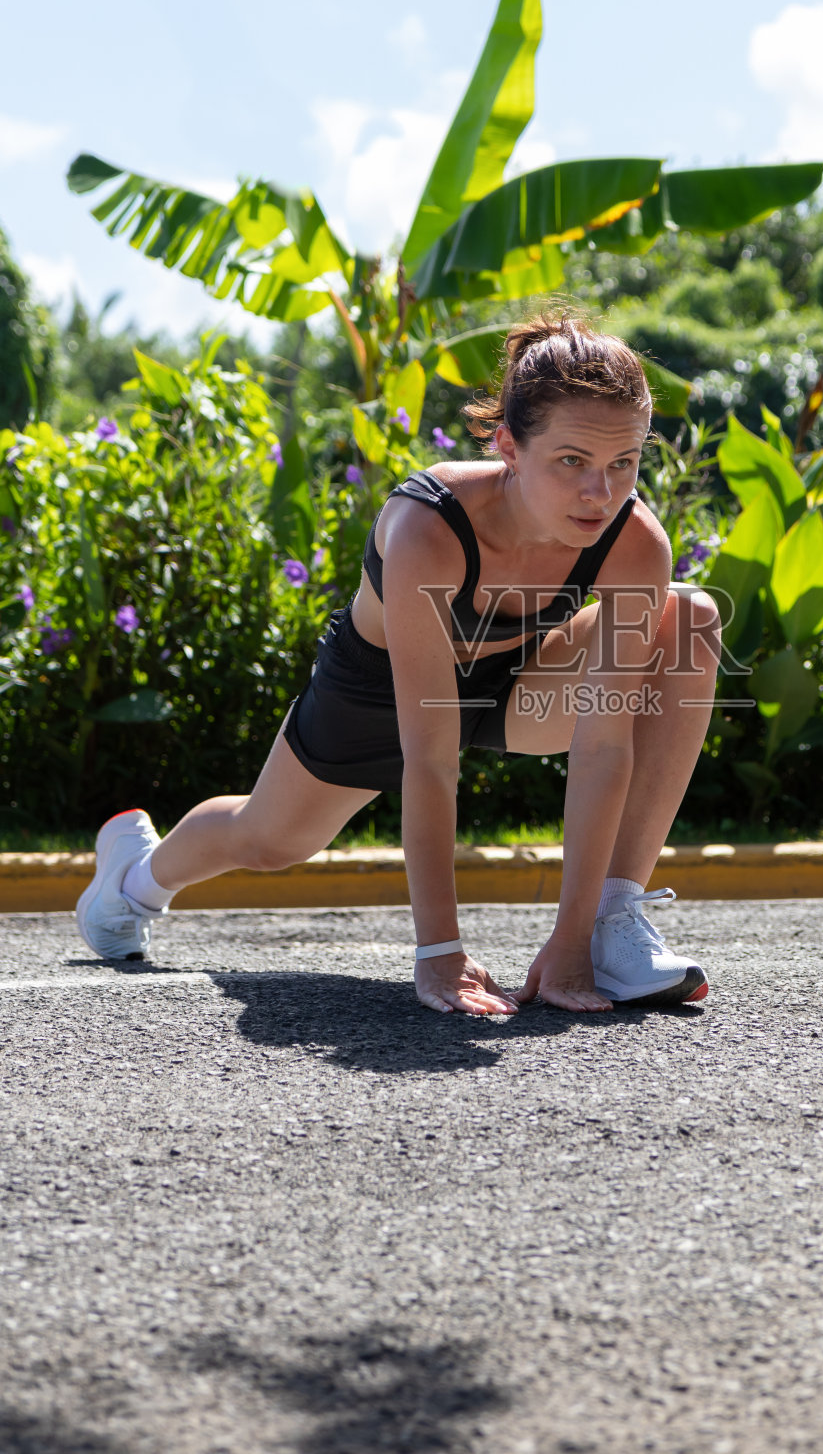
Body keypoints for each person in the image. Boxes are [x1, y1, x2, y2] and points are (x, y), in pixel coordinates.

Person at [76, 315, 722, 1015]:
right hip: (377, 691)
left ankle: (609, 925)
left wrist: (568, 946)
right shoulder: (429, 528)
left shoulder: (633, 541)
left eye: (624, 462)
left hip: (519, 679)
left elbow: (602, 746)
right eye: (572, 461)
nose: (601, 492)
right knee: (267, 840)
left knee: (690, 618)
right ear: (509, 445)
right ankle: (133, 879)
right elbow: (431, 759)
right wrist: (439, 952)